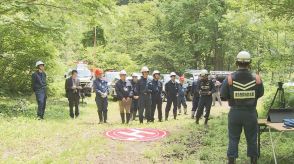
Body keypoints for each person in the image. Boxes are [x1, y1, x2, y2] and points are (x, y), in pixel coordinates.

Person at [220, 51, 264, 164]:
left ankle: (231, 161)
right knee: (252, 139)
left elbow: (223, 95)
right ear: (250, 63)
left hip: (235, 113)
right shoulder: (257, 78)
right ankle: (253, 161)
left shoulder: (230, 78)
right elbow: (260, 93)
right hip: (250, 113)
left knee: (233, 139)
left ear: (236, 62)